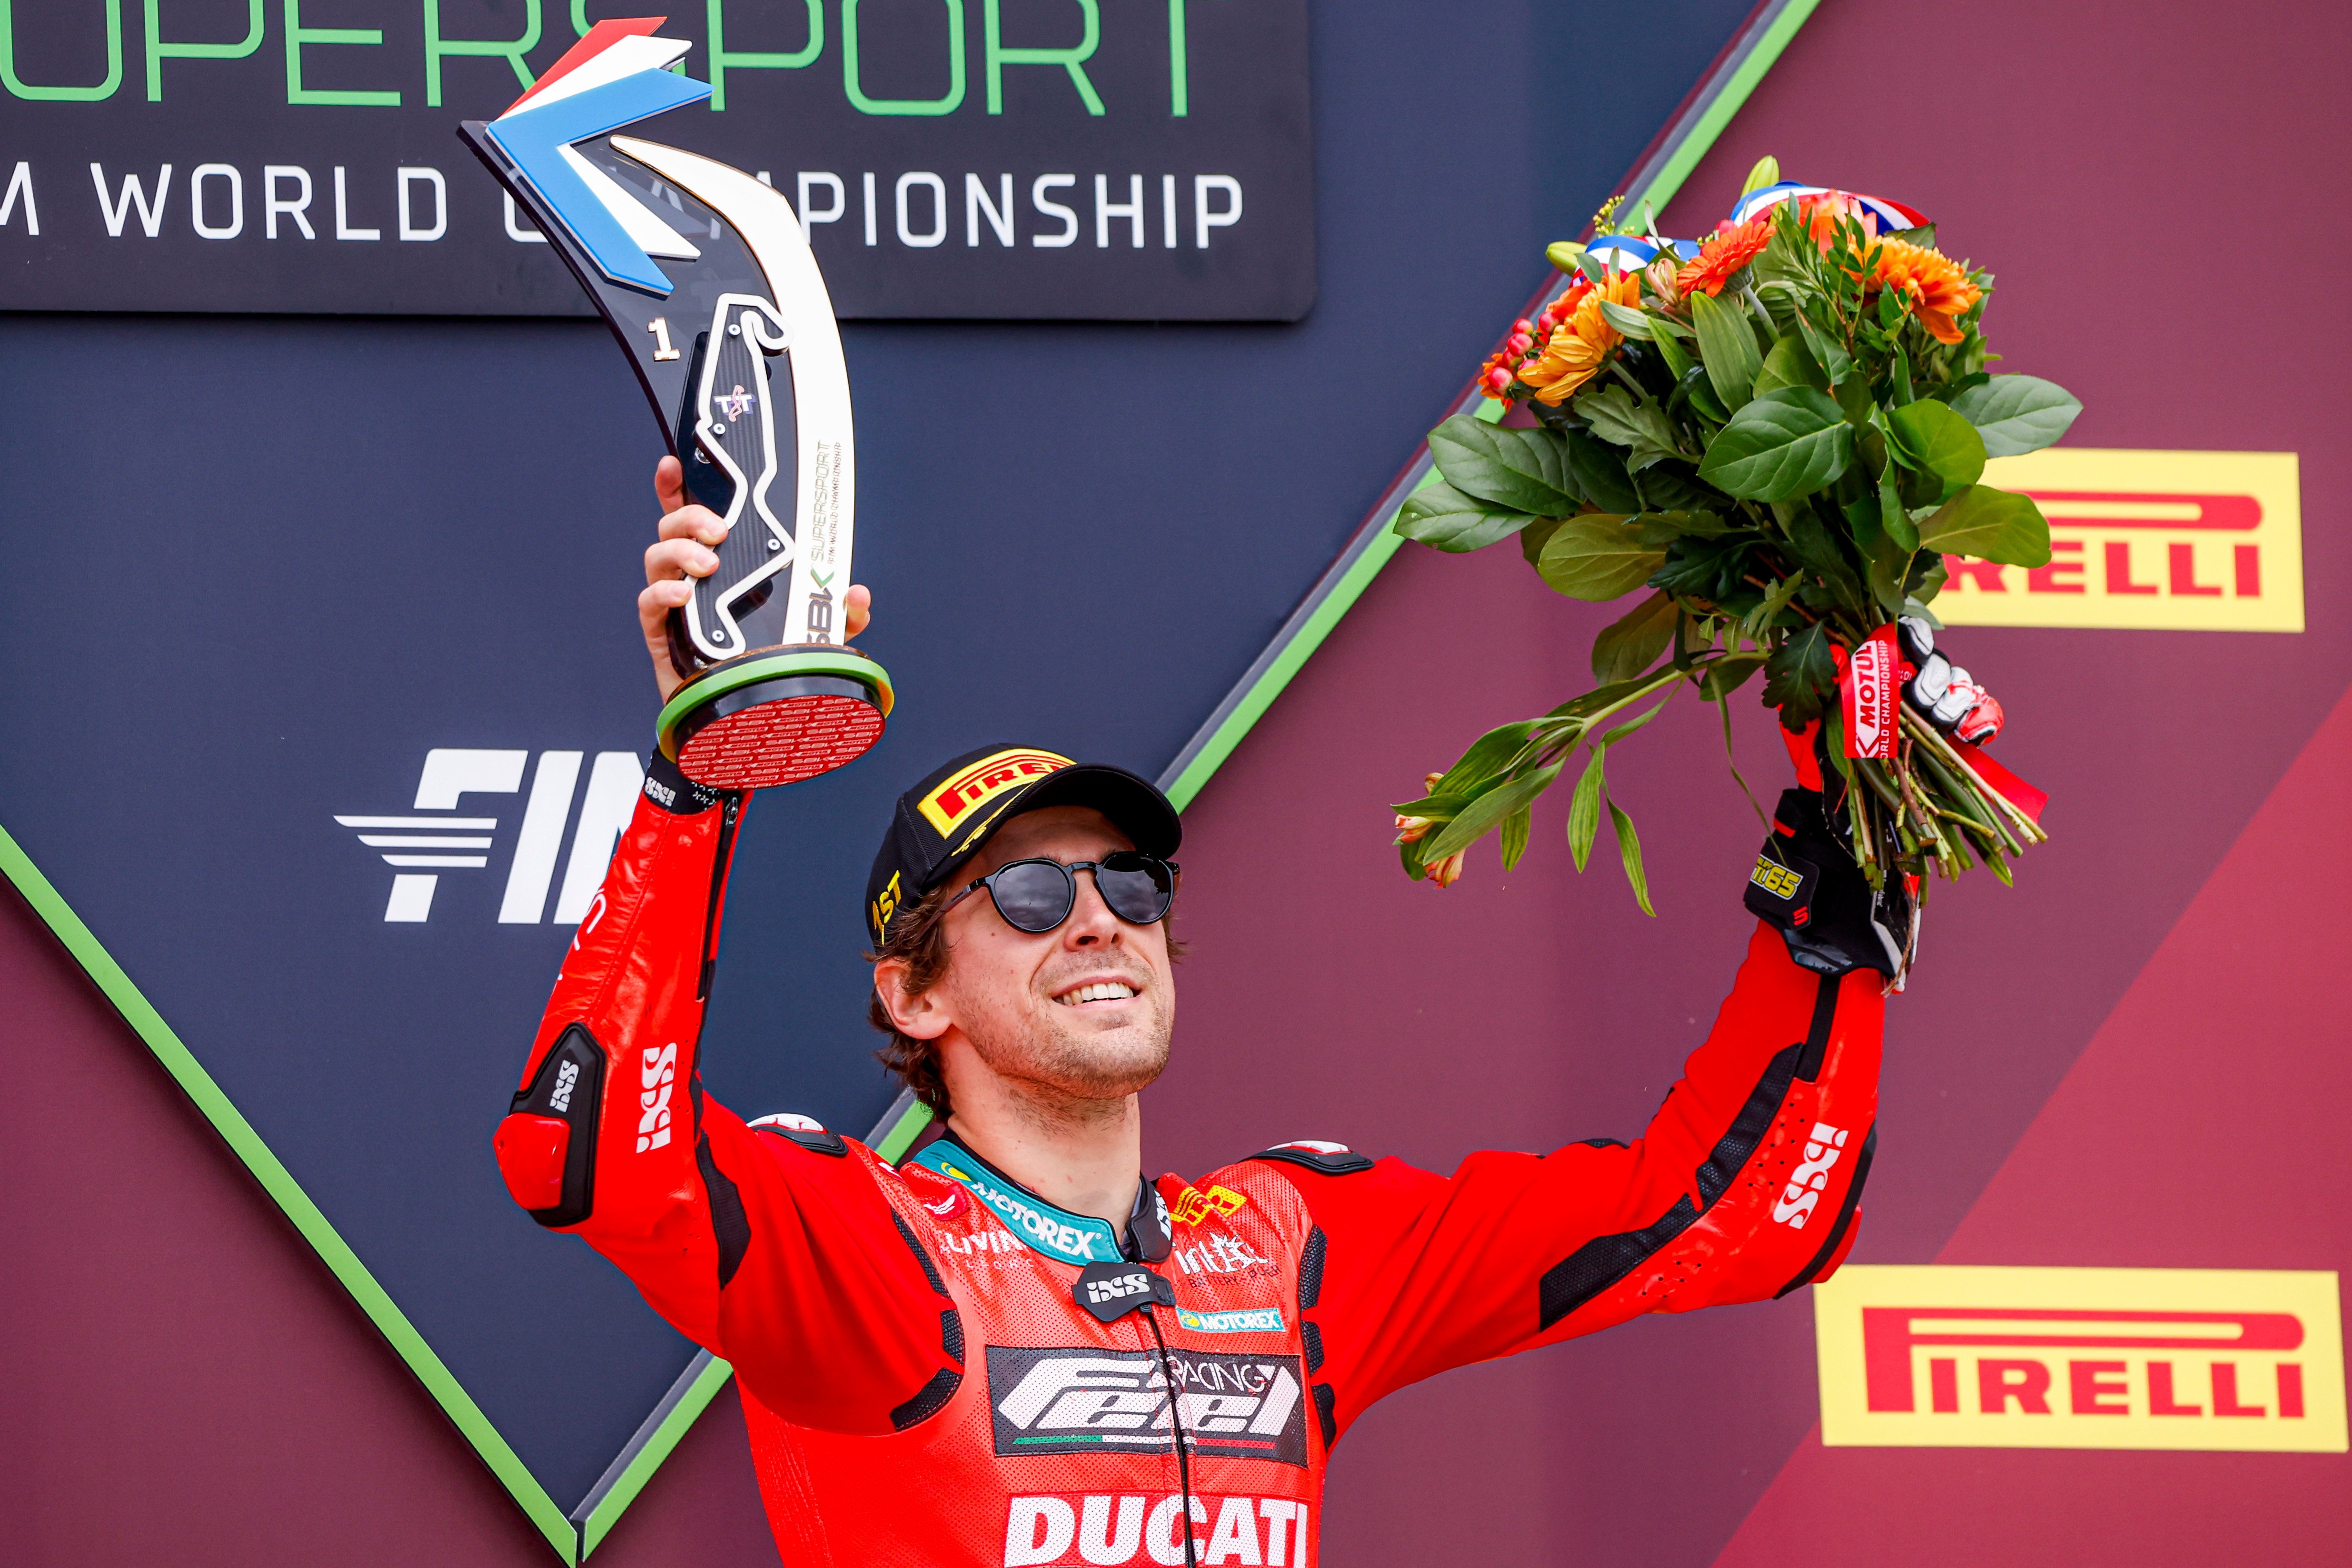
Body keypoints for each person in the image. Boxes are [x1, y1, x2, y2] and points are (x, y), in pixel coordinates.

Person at [491, 457, 1959, 1568]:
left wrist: (1847, 855)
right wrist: (705, 772)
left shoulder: (1293, 1250)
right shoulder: (870, 1253)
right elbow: (598, 1160)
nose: (1094, 922)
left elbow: (1747, 1214)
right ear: (915, 992)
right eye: (1020, 898)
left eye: (1130, 889)